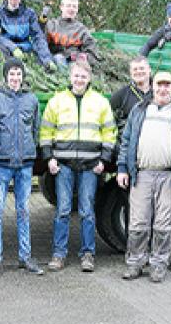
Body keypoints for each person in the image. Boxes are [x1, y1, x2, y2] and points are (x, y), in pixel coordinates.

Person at [115, 71, 171, 283]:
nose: (163, 89)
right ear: (153, 87)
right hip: (142, 175)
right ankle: (135, 263)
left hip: (169, 176)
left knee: (163, 224)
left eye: (167, 85)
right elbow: (126, 140)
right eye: (159, 85)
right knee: (137, 223)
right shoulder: (139, 110)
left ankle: (159, 264)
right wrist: (122, 168)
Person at [39, 61, 117, 273]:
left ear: (89, 78)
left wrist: (103, 160)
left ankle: (88, 254)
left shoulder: (100, 102)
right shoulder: (57, 101)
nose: (79, 80)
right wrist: (49, 158)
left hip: (90, 166)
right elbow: (46, 131)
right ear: (70, 77)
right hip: (63, 165)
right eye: (76, 76)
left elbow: (109, 133)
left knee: (87, 211)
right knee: (63, 210)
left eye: (83, 76)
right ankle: (59, 254)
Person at [0, 58, 44, 278]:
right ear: (5, 76)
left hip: (25, 164)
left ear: (23, 76)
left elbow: (35, 128)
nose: (15, 78)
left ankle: (25, 257)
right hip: (1, 163)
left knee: (24, 210)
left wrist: (30, 150)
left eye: (18, 73)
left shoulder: (31, 99)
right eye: (11, 74)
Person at [0, 0, 55, 70]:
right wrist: (13, 48)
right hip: (6, 47)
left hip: (25, 47)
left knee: (41, 62)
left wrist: (47, 59)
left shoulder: (29, 13)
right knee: (2, 52)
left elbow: (38, 36)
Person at [44, 0, 98, 68]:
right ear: (61, 7)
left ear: (77, 9)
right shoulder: (51, 25)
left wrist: (80, 57)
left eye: (74, 6)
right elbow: (41, 44)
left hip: (74, 63)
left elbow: (91, 52)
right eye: (68, 6)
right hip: (54, 60)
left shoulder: (82, 30)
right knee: (58, 58)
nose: (71, 9)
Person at [109, 56, 152, 132]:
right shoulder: (121, 95)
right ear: (130, 72)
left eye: (142, 68)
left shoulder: (159, 92)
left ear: (149, 70)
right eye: (135, 69)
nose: (138, 71)